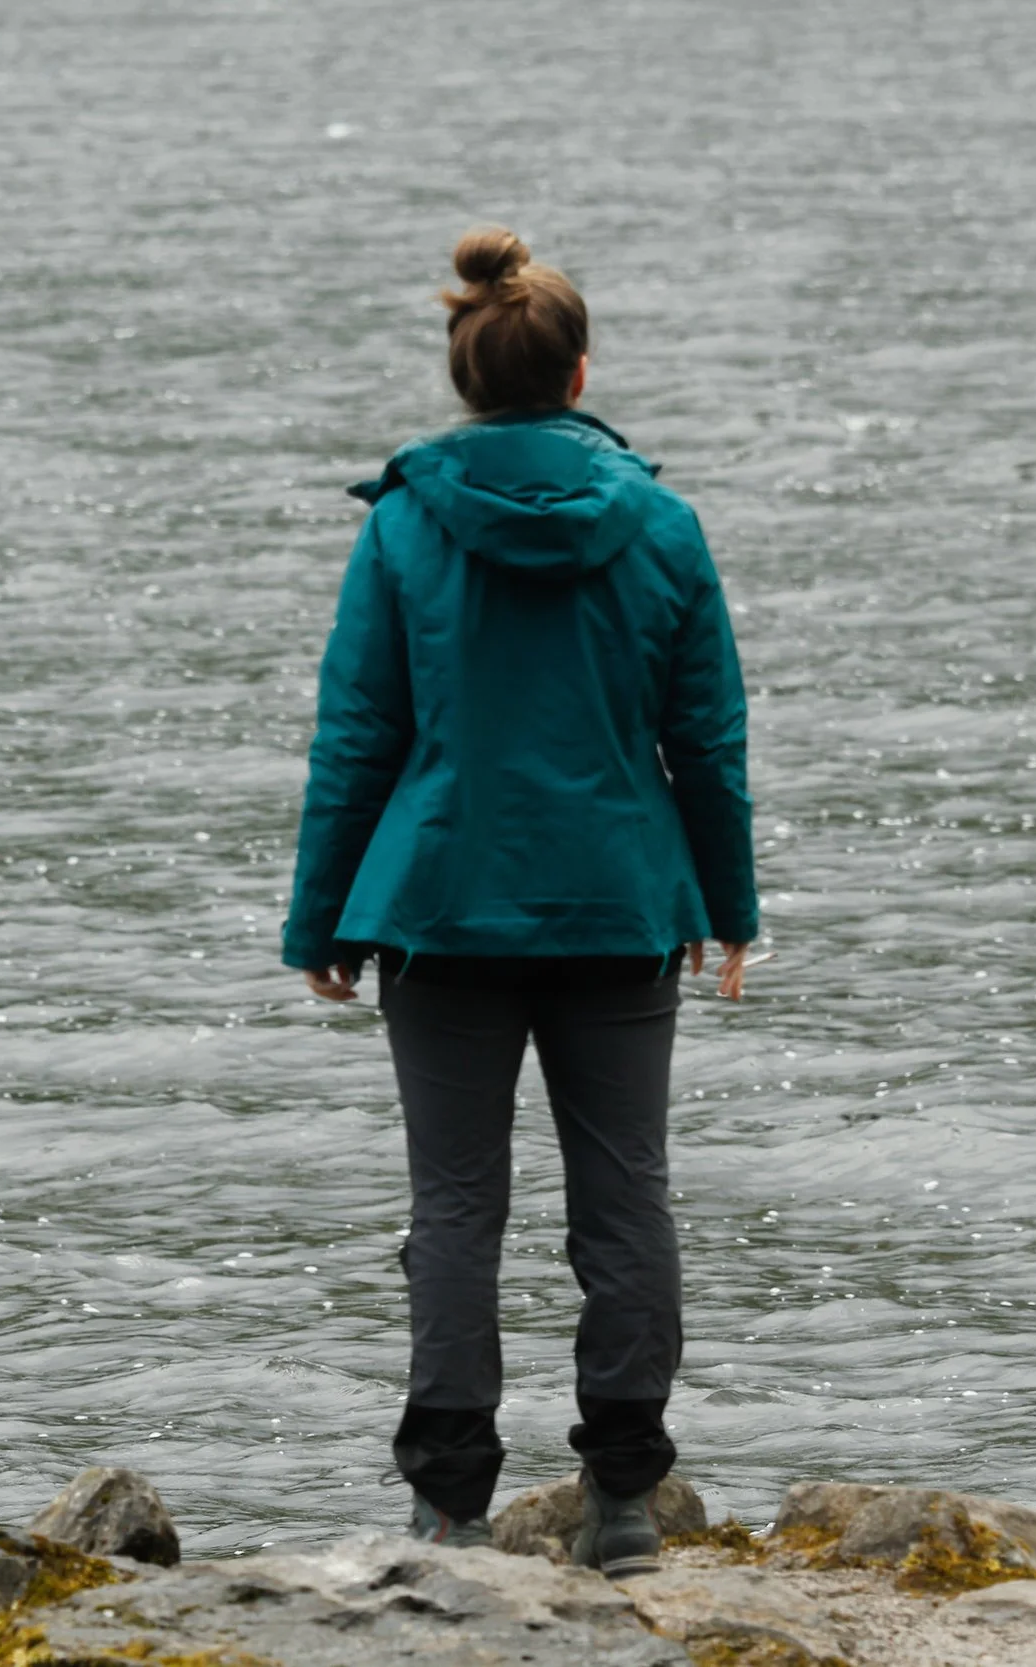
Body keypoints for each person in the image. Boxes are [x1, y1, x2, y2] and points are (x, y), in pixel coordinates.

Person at [280, 225, 759, 1577]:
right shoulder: (661, 525)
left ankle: (448, 1505)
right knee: (627, 1198)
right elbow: (706, 738)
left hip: (441, 906)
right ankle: (621, 1502)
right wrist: (729, 905)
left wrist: (321, 920)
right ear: (582, 367)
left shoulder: (405, 525)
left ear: (465, 377)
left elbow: (358, 733)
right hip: (619, 905)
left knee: (454, 1207)